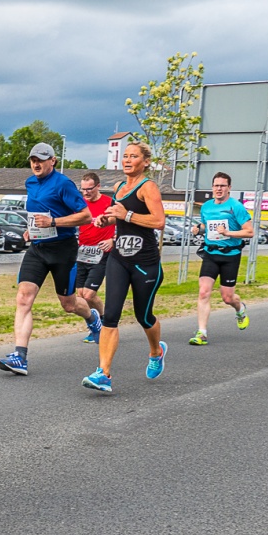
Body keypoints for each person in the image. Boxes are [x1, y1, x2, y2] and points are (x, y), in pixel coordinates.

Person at [0, 143, 100, 375]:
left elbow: (85, 216)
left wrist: (53, 223)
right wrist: (30, 229)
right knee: (23, 298)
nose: (36, 163)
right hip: (38, 248)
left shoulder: (63, 184)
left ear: (53, 160)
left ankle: (93, 319)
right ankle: (19, 357)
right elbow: (38, 213)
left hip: (63, 249)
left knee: (69, 304)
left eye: (41, 159)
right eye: (33, 159)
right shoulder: (30, 183)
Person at [82, 141, 167, 393]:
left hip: (145, 264)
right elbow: (115, 214)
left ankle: (156, 351)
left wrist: (126, 216)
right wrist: (104, 219)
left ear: (146, 161)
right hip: (119, 258)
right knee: (110, 316)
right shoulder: (119, 187)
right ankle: (103, 374)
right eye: (125, 156)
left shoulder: (148, 187)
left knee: (144, 316)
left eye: (134, 156)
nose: (127, 160)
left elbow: (159, 221)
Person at [188, 172, 253, 345]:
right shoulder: (206, 207)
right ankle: (202, 333)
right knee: (203, 292)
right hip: (210, 253)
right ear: (212, 187)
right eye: (216, 185)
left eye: (222, 186)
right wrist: (198, 229)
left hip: (231, 255)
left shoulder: (236, 207)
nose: (219, 189)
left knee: (227, 297)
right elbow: (205, 226)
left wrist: (229, 233)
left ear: (229, 188)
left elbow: (249, 231)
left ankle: (240, 309)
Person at [76, 172, 114, 343]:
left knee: (89, 295)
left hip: (101, 253)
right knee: (80, 295)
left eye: (89, 189)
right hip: (82, 253)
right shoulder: (80, 203)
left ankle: (106, 324)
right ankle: (95, 327)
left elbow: (124, 223)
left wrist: (113, 239)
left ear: (98, 186)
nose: (86, 193)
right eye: (83, 189)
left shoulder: (109, 202)